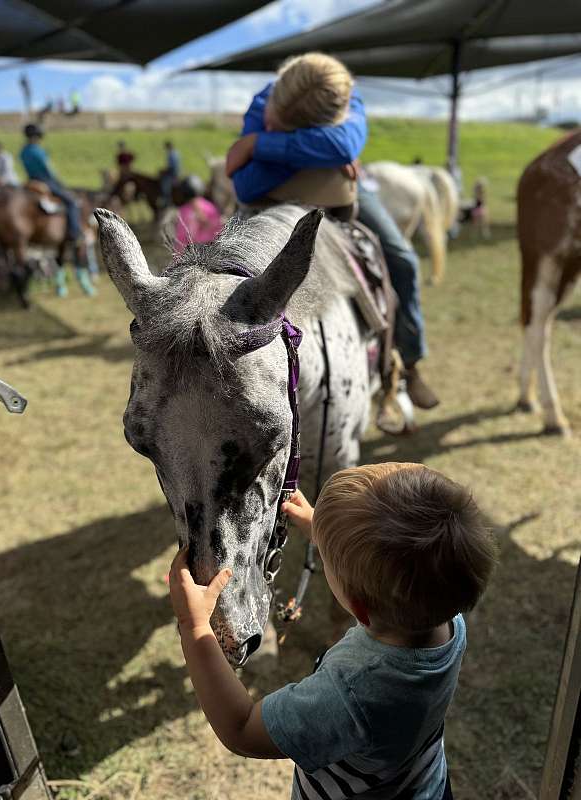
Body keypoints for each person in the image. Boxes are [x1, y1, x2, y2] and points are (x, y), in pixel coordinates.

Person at [169, 462, 498, 800]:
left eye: (327, 564)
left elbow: (241, 729)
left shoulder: (351, 695)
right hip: (425, 787)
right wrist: (326, 532)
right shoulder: (447, 621)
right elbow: (399, 573)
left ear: (358, 609)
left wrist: (193, 627)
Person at [226, 53, 439, 410]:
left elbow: (344, 145)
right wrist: (317, 150)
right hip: (269, 201)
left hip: (340, 196)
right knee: (223, 267)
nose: (270, 121)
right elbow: (247, 185)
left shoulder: (345, 97)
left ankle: (409, 363)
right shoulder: (263, 101)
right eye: (274, 120)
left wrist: (259, 145)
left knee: (401, 259)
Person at [19, 123, 82, 242]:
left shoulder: (23, 151)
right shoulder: (38, 150)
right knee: (72, 201)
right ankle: (75, 233)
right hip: (45, 181)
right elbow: (49, 170)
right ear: (37, 136)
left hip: (31, 182)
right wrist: (60, 182)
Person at [174, 175, 223, 253]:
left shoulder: (184, 210)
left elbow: (181, 237)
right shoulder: (209, 207)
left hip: (192, 251)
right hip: (210, 249)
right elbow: (218, 229)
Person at [160, 140, 181, 206]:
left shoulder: (172, 154)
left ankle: (166, 199)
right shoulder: (176, 152)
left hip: (172, 173)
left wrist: (164, 170)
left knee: (165, 183)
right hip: (175, 171)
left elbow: (172, 166)